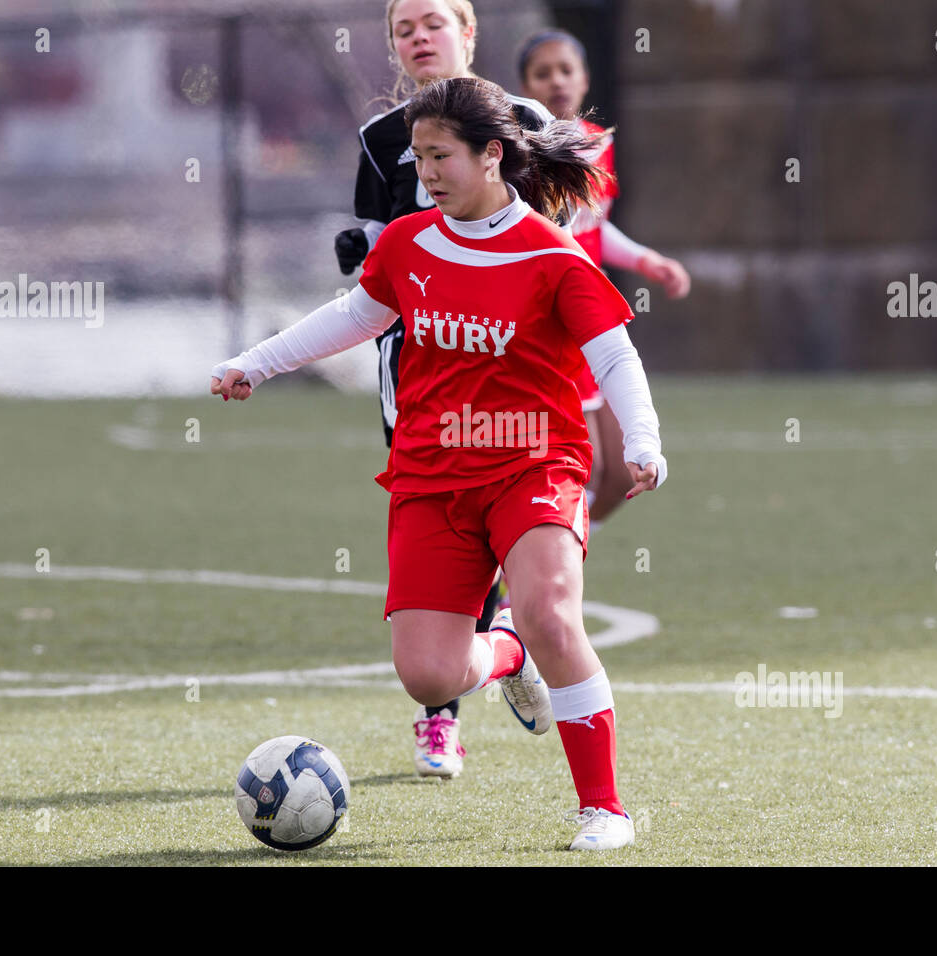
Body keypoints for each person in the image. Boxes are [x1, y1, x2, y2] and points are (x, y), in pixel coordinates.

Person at [212, 75, 667, 850]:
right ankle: (508, 655)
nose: (425, 171)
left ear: (492, 156)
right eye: (419, 156)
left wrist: (646, 441)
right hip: (431, 474)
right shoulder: (408, 241)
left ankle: (603, 807)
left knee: (554, 616)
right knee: (428, 674)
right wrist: (256, 364)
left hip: (536, 462)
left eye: (440, 155)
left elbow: (614, 356)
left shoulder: (552, 256)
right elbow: (355, 315)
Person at [333, 0, 554, 779]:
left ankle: (501, 651)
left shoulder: (524, 119)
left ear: (468, 31)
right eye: (403, 28)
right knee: (437, 546)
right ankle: (440, 715)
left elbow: (559, 228)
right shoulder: (380, 137)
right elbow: (381, 245)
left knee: (498, 531)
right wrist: (358, 251)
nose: (419, 37)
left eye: (434, 21)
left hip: (514, 375)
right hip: (418, 379)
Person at [518, 28, 690, 527]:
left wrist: (645, 261)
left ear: (585, 79)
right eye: (541, 73)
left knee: (618, 476)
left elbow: (594, 228)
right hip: (557, 318)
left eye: (565, 70)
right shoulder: (524, 151)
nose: (556, 81)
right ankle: (525, 565)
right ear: (524, 84)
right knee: (584, 463)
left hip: (595, 312)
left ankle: (548, 555)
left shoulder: (597, 145)